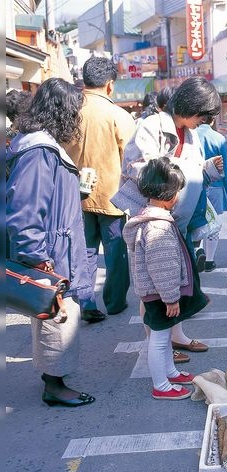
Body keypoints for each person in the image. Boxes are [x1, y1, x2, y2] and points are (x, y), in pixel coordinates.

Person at [113, 76, 223, 358]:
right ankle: (158, 343)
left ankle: (176, 336)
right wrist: (182, 171)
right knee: (153, 285)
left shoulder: (192, 132)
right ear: (189, 107)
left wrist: (206, 169)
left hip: (178, 219)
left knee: (178, 278)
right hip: (154, 220)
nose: (204, 122)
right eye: (203, 115)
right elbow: (143, 171)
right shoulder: (150, 126)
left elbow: (191, 168)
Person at [6, 78, 96, 407]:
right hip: (52, 253)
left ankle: (56, 379)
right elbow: (25, 211)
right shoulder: (39, 151)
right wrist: (38, 259)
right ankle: (54, 386)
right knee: (56, 316)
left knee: (60, 315)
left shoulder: (37, 144)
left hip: (57, 247)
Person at [123, 157, 208, 400]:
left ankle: (170, 372)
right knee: (160, 340)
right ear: (171, 196)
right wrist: (171, 298)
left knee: (164, 336)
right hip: (160, 293)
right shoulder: (158, 227)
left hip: (154, 291)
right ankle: (161, 386)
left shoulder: (148, 217)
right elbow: (163, 268)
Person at [63, 56, 137, 323]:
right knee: (116, 252)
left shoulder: (68, 111)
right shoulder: (119, 115)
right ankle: (115, 302)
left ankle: (85, 302)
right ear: (110, 85)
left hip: (74, 195)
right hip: (111, 196)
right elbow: (132, 159)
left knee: (84, 251)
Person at [196, 118, 227, 271]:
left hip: (196, 185)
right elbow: (226, 169)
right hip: (216, 187)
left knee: (196, 221)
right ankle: (210, 260)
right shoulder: (219, 138)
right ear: (212, 120)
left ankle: (197, 251)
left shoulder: (191, 135)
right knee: (214, 224)